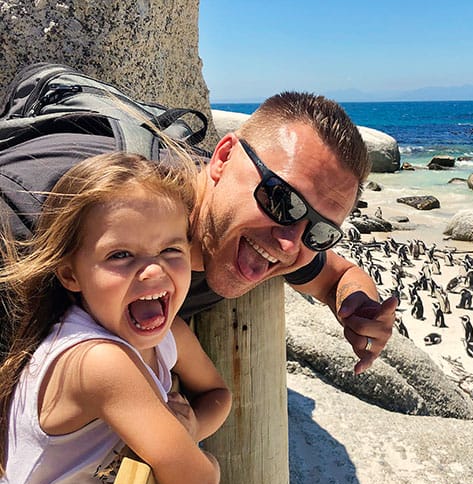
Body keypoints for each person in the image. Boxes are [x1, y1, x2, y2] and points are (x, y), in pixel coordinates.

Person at [0, 91, 397, 374]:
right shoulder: (66, 207)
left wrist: (359, 310)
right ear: (223, 158)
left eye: (321, 233)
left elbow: (340, 276)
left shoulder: (244, 233)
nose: (291, 242)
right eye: (282, 200)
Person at [0, 153, 232, 484]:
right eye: (120, 255)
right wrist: (194, 458)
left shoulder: (168, 335)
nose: (154, 271)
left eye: (171, 250)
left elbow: (218, 394)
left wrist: (188, 431)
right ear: (71, 273)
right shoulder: (96, 362)